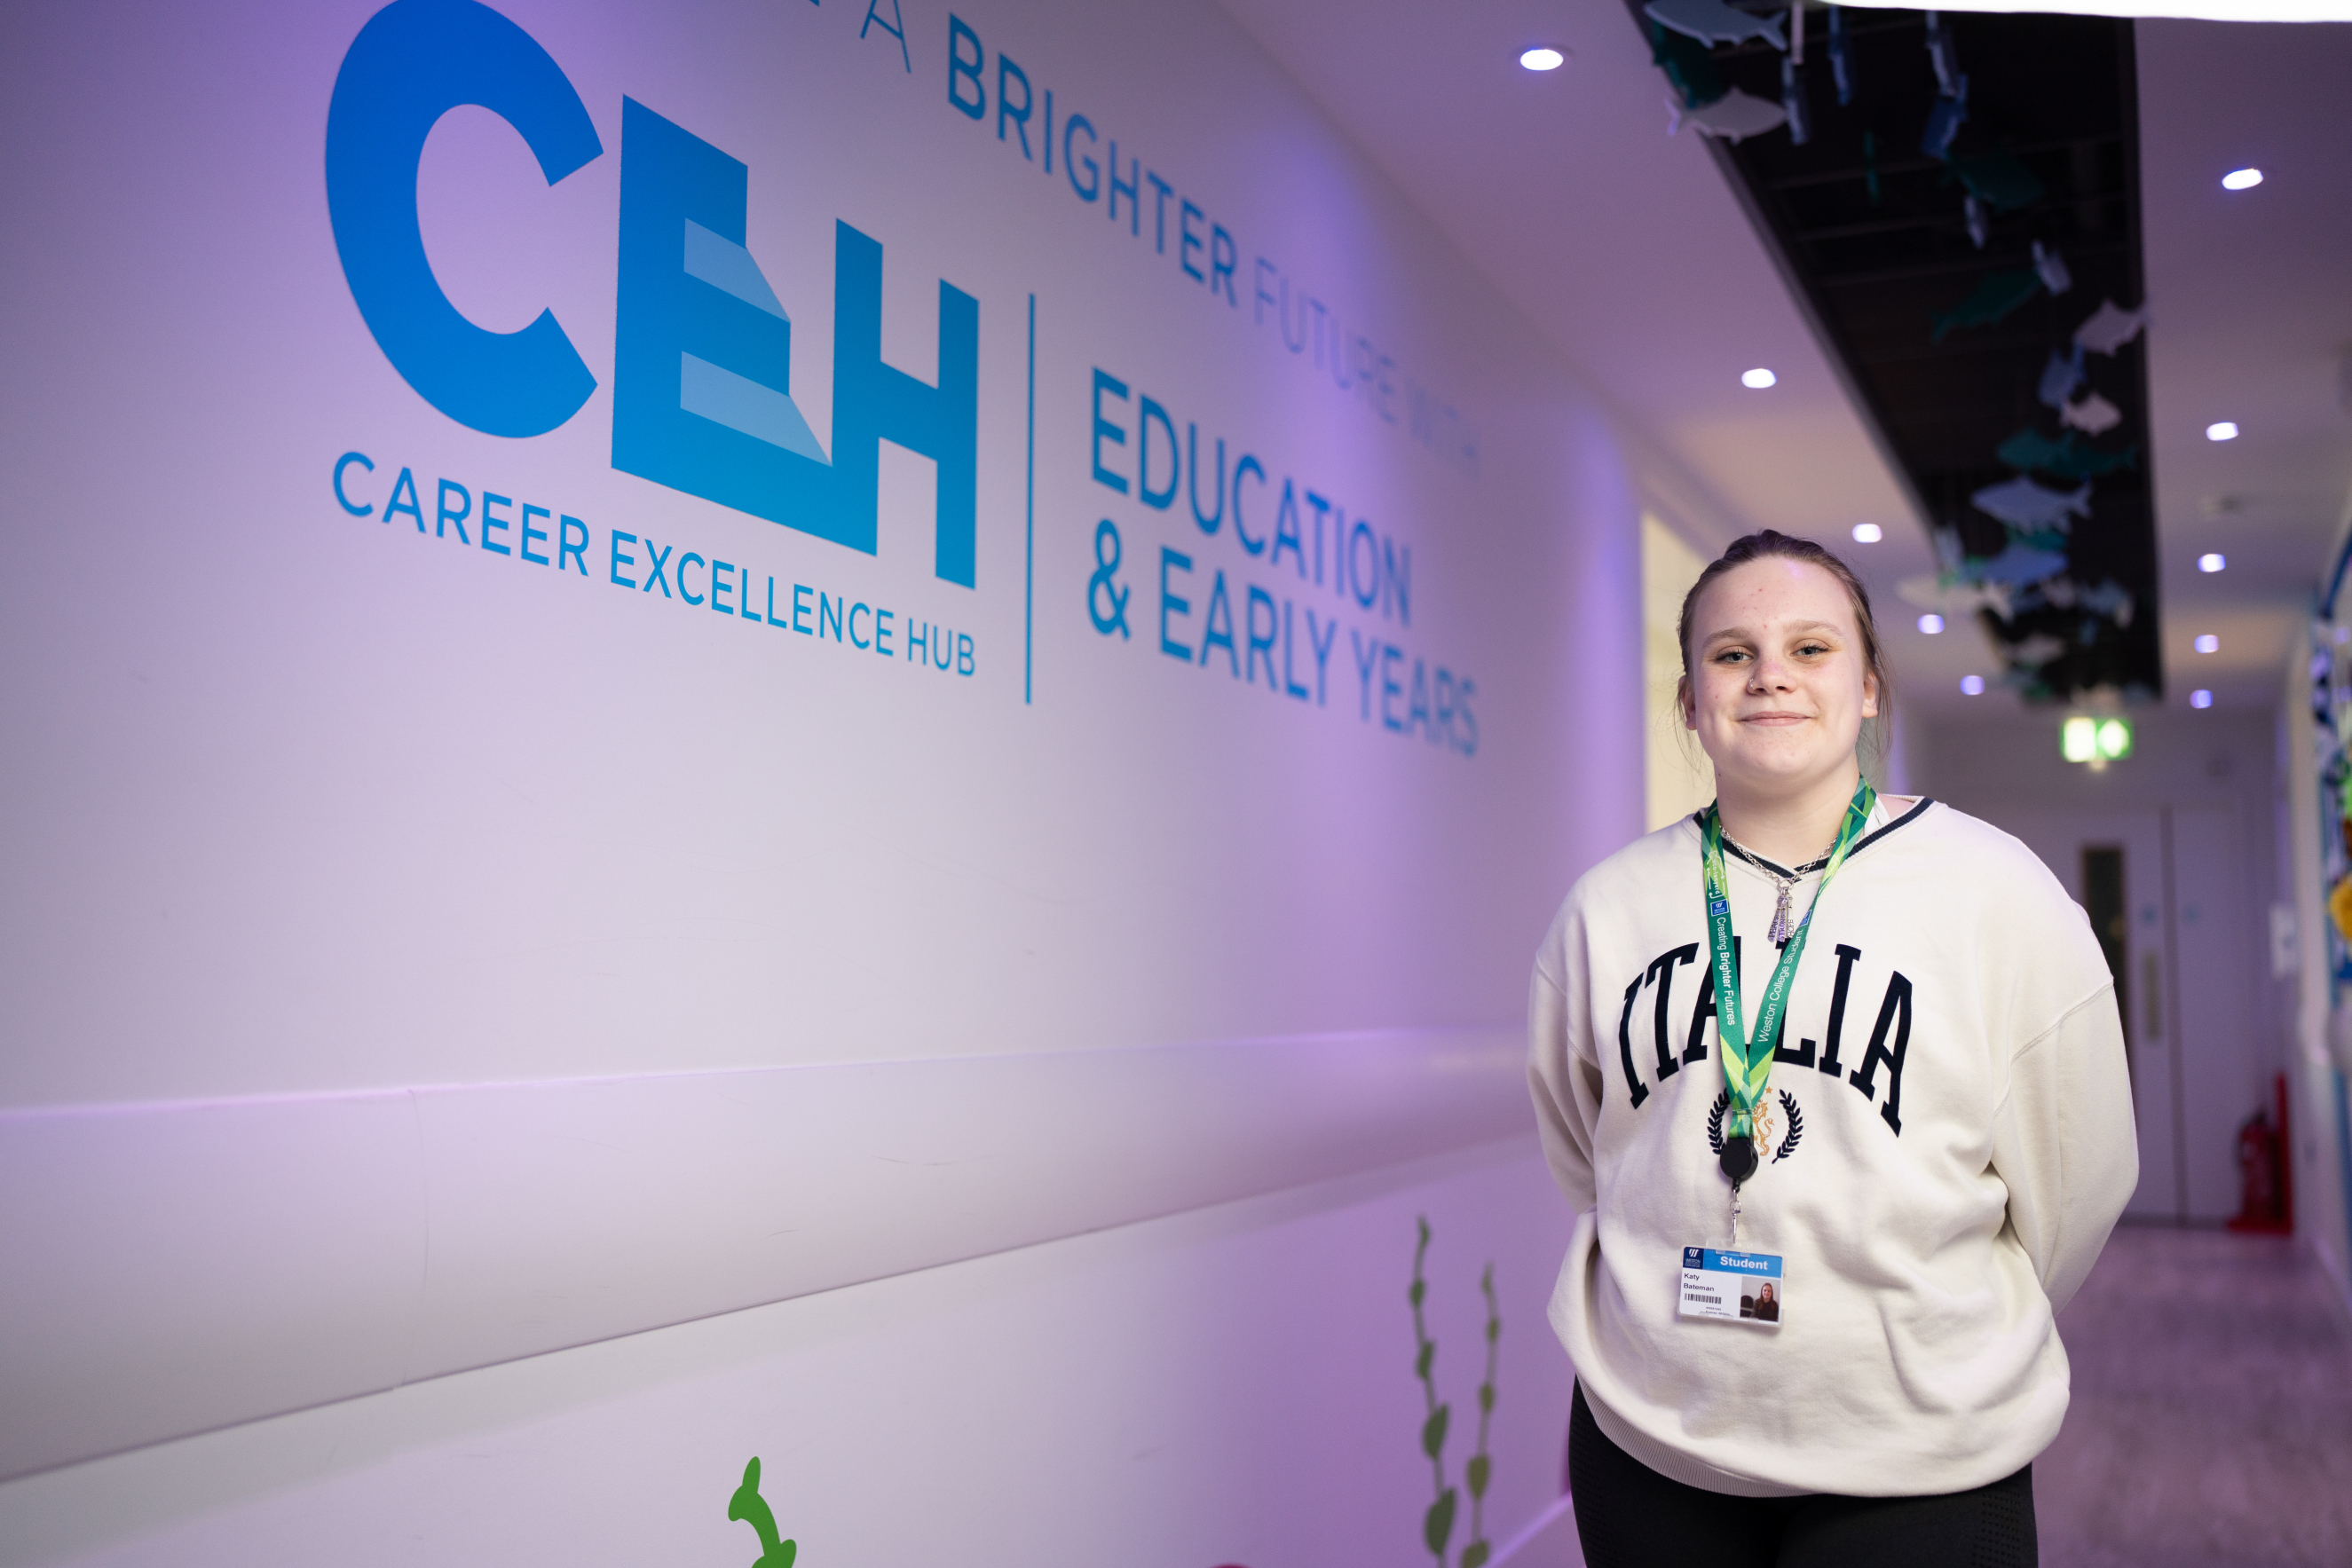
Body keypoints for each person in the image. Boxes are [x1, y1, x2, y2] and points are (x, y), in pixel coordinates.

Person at [1527, 531, 2136, 1567]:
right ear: (1687, 701)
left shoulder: (1996, 892)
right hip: (1652, 1442)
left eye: (1810, 649)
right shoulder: (1604, 908)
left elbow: (2077, 1181)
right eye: (1731, 654)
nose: (1769, 675)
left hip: (1919, 1456)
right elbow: (1588, 1154)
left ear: (1866, 690)